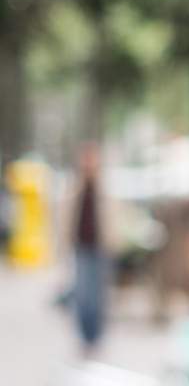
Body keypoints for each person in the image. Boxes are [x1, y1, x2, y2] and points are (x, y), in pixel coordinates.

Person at [69, 142, 110, 353]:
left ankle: (95, 336)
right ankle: (85, 335)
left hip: (99, 248)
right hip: (81, 247)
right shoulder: (77, 187)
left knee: (97, 295)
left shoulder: (103, 188)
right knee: (82, 293)